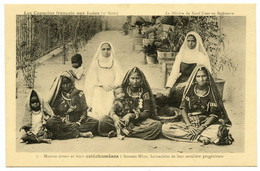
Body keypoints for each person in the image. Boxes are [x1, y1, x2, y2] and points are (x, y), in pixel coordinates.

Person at [162, 65, 234, 145]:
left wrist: (202, 127)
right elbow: (183, 108)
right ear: (195, 78)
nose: (201, 79)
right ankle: (200, 138)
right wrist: (189, 125)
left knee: (219, 129)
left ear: (207, 77)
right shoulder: (190, 89)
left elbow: (214, 115)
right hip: (190, 122)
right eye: (198, 76)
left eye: (203, 76)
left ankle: (197, 136)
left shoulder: (212, 92)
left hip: (205, 123)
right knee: (165, 129)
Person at [98, 67, 162, 140]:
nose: (135, 81)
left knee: (157, 125)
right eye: (132, 78)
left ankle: (121, 131)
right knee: (103, 120)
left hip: (138, 121)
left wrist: (130, 116)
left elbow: (147, 112)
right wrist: (115, 117)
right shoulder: (122, 90)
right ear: (128, 79)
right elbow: (113, 108)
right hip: (121, 119)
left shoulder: (144, 92)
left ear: (141, 79)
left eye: (137, 78)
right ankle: (128, 131)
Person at [46, 70, 99, 139]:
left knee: (95, 123)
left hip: (78, 122)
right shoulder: (57, 96)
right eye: (63, 84)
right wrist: (63, 120)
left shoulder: (79, 94)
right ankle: (79, 134)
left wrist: (78, 122)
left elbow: (84, 112)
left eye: (67, 83)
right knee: (50, 122)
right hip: (63, 123)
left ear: (71, 82)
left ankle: (66, 134)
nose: (65, 86)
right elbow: (54, 113)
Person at [165, 31, 212, 108]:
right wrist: (169, 87)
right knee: (173, 91)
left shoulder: (201, 56)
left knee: (183, 92)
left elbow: (203, 75)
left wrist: (187, 83)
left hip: (196, 81)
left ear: (197, 42)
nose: (190, 43)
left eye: (193, 41)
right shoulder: (181, 55)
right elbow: (174, 72)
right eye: (188, 41)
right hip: (181, 80)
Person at [84, 42, 123, 120]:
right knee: (97, 93)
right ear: (100, 51)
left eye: (108, 49)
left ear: (111, 50)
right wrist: (102, 85)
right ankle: (99, 117)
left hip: (112, 88)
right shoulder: (96, 64)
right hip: (100, 87)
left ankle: (110, 117)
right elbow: (92, 78)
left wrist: (114, 85)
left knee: (112, 95)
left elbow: (119, 76)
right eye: (103, 49)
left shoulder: (114, 63)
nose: (106, 51)